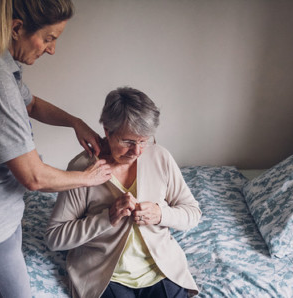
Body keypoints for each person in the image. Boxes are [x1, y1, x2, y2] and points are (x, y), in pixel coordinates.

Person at [0, 0, 111, 297]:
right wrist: (89, 177)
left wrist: (74, 122)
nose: (52, 49)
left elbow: (30, 103)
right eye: (48, 38)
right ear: (17, 28)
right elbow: (33, 177)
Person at [45, 87, 202, 298]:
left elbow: (192, 213)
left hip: (160, 270)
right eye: (128, 141)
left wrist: (161, 214)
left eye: (143, 141)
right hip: (105, 275)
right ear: (108, 131)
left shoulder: (161, 158)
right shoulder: (82, 168)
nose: (136, 151)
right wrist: (106, 218)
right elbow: (55, 238)